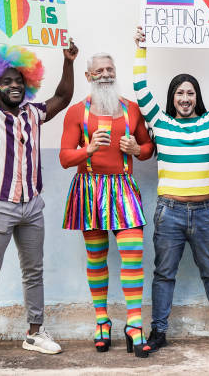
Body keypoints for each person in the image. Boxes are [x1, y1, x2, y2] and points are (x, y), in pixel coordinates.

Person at [0, 18, 78, 367]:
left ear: (27, 84)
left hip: (32, 206)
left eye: (19, 81)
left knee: (34, 271)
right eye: (6, 81)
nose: (14, 86)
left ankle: (34, 332)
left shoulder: (34, 113)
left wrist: (69, 62)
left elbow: (63, 96)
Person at [133, 26, 209, 351]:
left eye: (190, 93)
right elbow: (140, 87)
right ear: (172, 97)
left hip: (205, 213)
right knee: (164, 274)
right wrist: (141, 48)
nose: (185, 99)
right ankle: (158, 332)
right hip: (169, 212)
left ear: (197, 97)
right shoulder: (159, 121)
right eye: (180, 93)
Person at [59, 53, 155, 357]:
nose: (105, 74)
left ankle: (135, 324)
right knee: (96, 258)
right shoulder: (76, 113)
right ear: (88, 77)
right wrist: (87, 150)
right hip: (89, 190)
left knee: (133, 256)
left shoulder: (132, 109)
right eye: (98, 70)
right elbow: (64, 158)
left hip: (124, 188)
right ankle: (102, 321)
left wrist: (137, 148)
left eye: (109, 69)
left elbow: (149, 148)